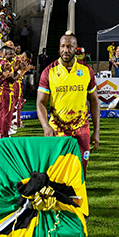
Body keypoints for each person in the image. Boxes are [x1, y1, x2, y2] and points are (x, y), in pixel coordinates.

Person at [37, 32, 100, 175]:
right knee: (58, 169)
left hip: (81, 128)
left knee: (81, 167)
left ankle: (77, 195)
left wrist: (96, 131)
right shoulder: (49, 72)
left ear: (76, 48)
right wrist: (46, 126)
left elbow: (94, 101)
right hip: (57, 129)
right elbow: (40, 102)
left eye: (70, 46)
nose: (66, 50)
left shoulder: (86, 70)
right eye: (63, 46)